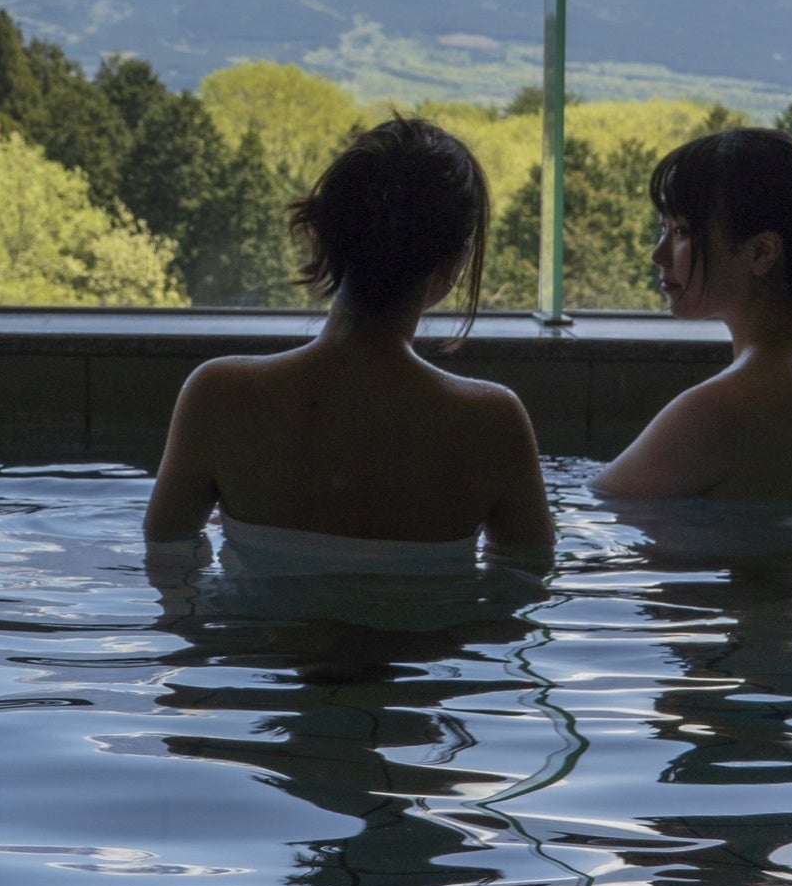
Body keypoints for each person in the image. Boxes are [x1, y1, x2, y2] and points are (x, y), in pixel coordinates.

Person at [145, 117, 555, 575]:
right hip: (426, 646)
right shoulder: (493, 423)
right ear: (455, 261)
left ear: (324, 234)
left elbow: (170, 566)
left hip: (261, 646)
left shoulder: (219, 397)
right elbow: (523, 588)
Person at [594, 128, 792, 508]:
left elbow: (596, 515)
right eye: (662, 228)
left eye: (682, 230)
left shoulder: (722, 406)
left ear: (762, 252)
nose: (658, 254)